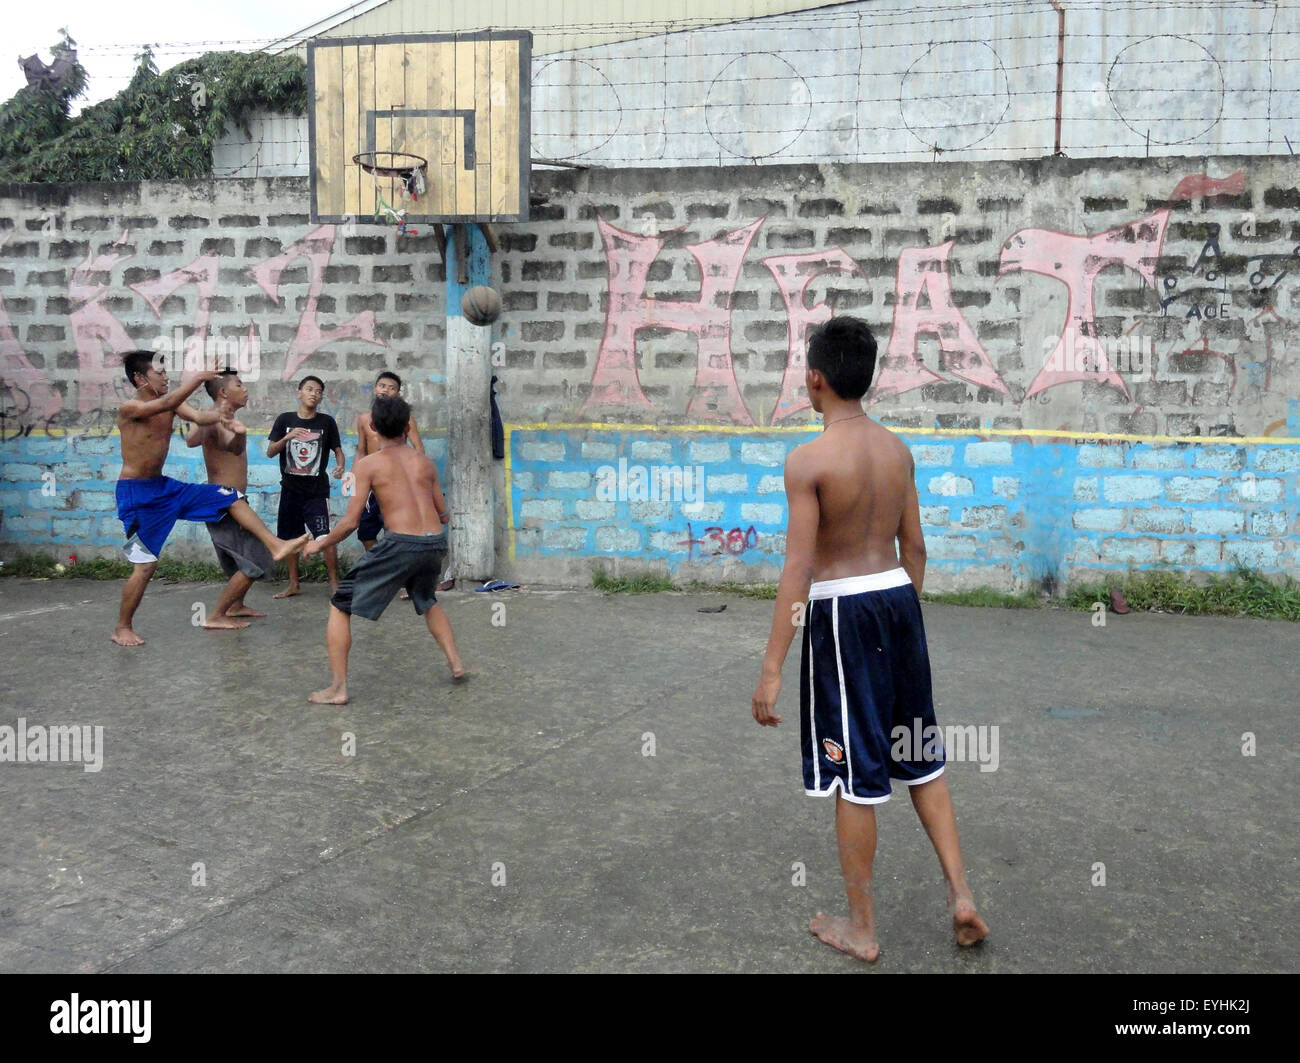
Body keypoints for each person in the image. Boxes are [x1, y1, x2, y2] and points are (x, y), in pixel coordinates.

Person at [750, 316, 988, 963]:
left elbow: (799, 568)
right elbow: (916, 546)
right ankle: (961, 893)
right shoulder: (896, 450)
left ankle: (862, 927)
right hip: (897, 601)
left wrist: (773, 666)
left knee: (854, 774)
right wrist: (903, 617)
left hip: (842, 615)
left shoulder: (809, 461)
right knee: (921, 757)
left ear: (814, 380)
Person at [112, 351, 309, 647]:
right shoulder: (131, 407)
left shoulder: (173, 404)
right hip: (137, 494)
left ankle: (276, 544)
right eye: (159, 373)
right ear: (140, 378)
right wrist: (199, 379)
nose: (166, 377)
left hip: (164, 487)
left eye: (167, 373)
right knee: (145, 567)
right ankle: (122, 627)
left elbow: (200, 417)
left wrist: (225, 414)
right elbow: (167, 404)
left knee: (227, 494)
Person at [303, 395, 464, 704]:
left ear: (373, 427)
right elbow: (443, 515)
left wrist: (320, 542)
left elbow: (350, 523)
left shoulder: (369, 464)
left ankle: (338, 688)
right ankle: (455, 662)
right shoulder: (425, 462)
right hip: (434, 542)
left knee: (339, 604)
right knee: (427, 599)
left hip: (401, 544)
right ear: (407, 427)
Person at [186, 370, 270, 630]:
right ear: (223, 392)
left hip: (233, 500)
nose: (245, 389)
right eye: (239, 384)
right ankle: (215, 615)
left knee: (240, 559)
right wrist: (208, 420)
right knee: (257, 559)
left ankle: (235, 606)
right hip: (225, 503)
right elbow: (196, 440)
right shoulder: (215, 419)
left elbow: (192, 440)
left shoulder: (222, 418)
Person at [266, 375, 345, 598]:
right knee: (290, 538)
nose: (314, 393)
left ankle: (334, 583)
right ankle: (293, 584)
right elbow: (271, 451)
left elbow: (338, 450)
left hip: (317, 492)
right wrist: (288, 437)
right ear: (299, 393)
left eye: (319, 391)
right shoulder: (284, 420)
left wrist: (340, 466)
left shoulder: (326, 422)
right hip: (290, 490)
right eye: (309, 389)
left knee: (325, 537)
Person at [354, 371, 425, 550]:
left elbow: (418, 448)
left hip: (396, 482)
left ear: (397, 394)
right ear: (375, 389)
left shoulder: (405, 418)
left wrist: (416, 476)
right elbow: (361, 450)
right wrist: (353, 477)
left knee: (394, 530)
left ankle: (393, 570)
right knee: (365, 532)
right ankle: (380, 564)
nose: (386, 390)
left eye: (392, 388)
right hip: (371, 483)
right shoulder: (363, 419)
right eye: (382, 386)